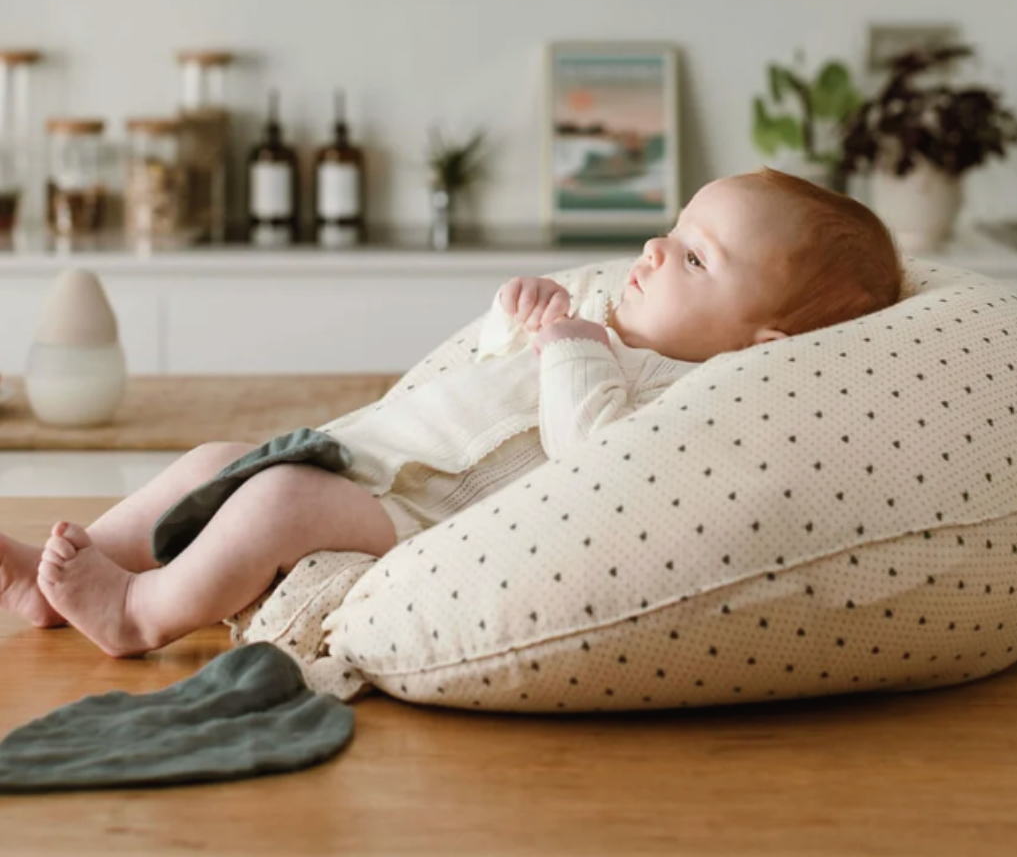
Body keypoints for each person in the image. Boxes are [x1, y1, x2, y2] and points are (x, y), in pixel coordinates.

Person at [0, 168, 902, 659]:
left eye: (698, 262)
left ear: (763, 341)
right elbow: (477, 387)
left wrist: (570, 348)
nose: (657, 248)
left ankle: (140, 614)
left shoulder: (681, 388)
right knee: (214, 462)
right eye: (673, 228)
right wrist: (514, 328)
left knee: (273, 508)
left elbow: (597, 459)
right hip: (366, 455)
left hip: (427, 515)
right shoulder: (608, 319)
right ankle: (52, 584)